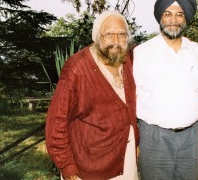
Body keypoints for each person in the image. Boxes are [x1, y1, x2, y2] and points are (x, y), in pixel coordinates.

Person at [133, 0, 198, 180]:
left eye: (179, 14)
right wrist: (134, 141)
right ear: (160, 17)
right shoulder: (142, 53)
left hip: (191, 137)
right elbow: (132, 98)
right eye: (168, 14)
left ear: (186, 18)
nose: (173, 20)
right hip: (154, 138)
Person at [45, 10, 139, 180]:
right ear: (97, 37)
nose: (116, 41)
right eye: (109, 34)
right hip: (90, 166)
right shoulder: (77, 67)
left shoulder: (128, 61)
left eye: (122, 35)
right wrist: (67, 166)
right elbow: (56, 122)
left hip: (126, 161)